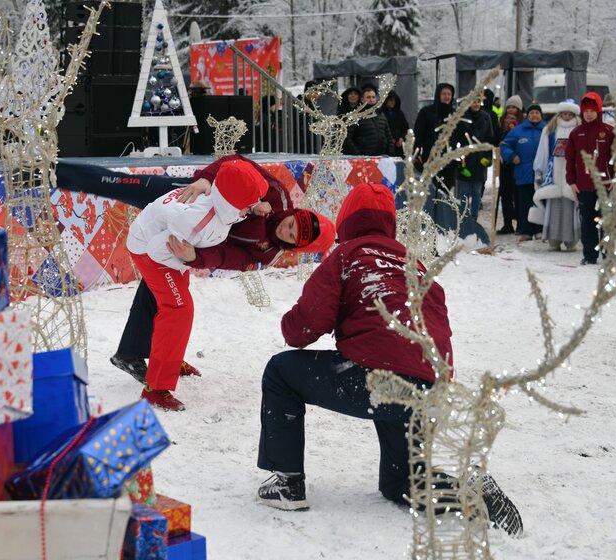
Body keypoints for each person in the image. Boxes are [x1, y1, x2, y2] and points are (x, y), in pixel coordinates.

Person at [254, 182, 523, 536]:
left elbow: (301, 329)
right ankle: (470, 494)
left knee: (280, 372)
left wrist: (296, 320)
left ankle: (287, 482)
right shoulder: (416, 264)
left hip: (376, 376)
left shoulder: (347, 255)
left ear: (346, 220)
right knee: (403, 482)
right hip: (428, 386)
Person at [98, 154, 335, 386]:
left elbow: (227, 258)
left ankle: (152, 356)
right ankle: (71, 174)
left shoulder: (269, 253)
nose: (286, 230)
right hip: (195, 197)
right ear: (295, 212)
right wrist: (206, 178)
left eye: (291, 236)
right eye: (291, 223)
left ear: (295, 246)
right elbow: (236, 164)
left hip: (193, 240)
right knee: (124, 187)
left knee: (166, 294)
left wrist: (196, 257)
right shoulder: (278, 195)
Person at [125, 159, 268, 411]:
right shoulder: (197, 220)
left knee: (178, 306)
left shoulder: (219, 205)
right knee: (178, 309)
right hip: (150, 250)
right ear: (232, 202)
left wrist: (187, 259)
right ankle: (155, 389)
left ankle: (170, 360)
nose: (251, 209)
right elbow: (156, 249)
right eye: (248, 205)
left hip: (166, 248)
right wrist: (187, 260)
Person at [565, 92, 614, 265]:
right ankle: (589, 255)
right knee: (588, 222)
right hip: (584, 186)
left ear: (599, 111)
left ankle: (608, 255)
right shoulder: (576, 133)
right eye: (586, 111)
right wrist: (571, 181)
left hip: (606, 186)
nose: (589, 114)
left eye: (593, 111)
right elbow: (570, 159)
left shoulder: (609, 132)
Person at [530, 100, 581, 251]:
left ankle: (571, 240)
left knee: (571, 209)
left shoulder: (579, 130)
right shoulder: (550, 130)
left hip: (572, 175)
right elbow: (542, 152)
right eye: (564, 114)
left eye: (569, 114)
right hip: (552, 176)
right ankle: (553, 239)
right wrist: (539, 171)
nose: (566, 117)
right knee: (554, 209)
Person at [501, 103, 545, 240]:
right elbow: (504, 145)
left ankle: (539, 229)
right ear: (527, 115)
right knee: (524, 203)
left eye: (537, 113)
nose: (534, 115)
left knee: (540, 202)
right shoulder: (517, 131)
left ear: (541, 115)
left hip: (541, 174)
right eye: (532, 113)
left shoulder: (547, 130)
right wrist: (512, 156)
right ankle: (525, 230)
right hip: (523, 173)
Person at [455, 95, 495, 223]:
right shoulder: (462, 118)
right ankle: (463, 218)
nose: (476, 104)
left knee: (477, 191)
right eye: (473, 101)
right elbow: (456, 137)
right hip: (465, 159)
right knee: (464, 191)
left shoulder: (486, 117)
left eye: (478, 101)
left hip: (480, 158)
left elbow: (490, 138)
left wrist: (488, 157)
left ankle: (474, 219)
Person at [414, 83, 457, 189]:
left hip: (448, 159)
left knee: (446, 189)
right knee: (430, 188)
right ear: (438, 95)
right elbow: (418, 133)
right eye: (444, 94)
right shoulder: (427, 112)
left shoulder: (454, 114)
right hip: (430, 156)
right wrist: (416, 151)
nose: (447, 97)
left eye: (449, 94)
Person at [496, 95, 524, 234]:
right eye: (509, 107)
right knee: (505, 194)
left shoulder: (523, 123)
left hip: (518, 162)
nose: (511, 110)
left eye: (514, 107)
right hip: (504, 163)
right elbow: (497, 140)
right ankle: (507, 223)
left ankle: (519, 221)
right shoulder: (501, 122)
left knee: (517, 194)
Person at [342, 85, 394, 156]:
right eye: (368, 97)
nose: (371, 99)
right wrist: (358, 154)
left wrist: (390, 152)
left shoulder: (381, 115)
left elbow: (389, 136)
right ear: (362, 99)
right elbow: (347, 138)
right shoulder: (356, 116)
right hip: (364, 157)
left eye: (373, 97)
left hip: (382, 157)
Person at [382, 90, 409, 157]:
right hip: (386, 147)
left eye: (394, 100)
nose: (393, 102)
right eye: (391, 100)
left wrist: (402, 138)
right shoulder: (381, 113)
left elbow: (405, 127)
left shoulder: (399, 113)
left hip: (399, 146)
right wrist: (389, 140)